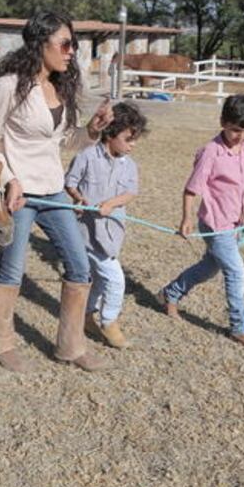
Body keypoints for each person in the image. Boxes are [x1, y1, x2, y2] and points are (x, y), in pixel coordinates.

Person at [0, 10, 114, 373]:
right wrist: (9, 180)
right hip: (20, 195)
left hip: (53, 191)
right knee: (12, 269)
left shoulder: (60, 87)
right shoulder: (5, 87)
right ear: (39, 44)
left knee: (80, 268)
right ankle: (2, 343)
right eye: (65, 44)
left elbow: (66, 141)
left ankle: (71, 346)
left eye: (73, 45)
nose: (71, 52)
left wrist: (92, 130)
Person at [156, 93, 244, 348]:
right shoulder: (210, 152)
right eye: (236, 130)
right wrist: (186, 219)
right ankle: (240, 327)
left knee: (209, 267)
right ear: (223, 122)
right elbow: (192, 188)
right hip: (215, 224)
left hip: (235, 222)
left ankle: (169, 294)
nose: (241, 136)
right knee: (236, 273)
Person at [64, 102, 148, 350]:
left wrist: (112, 203)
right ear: (110, 134)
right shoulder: (87, 156)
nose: (132, 145)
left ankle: (87, 316)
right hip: (88, 233)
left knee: (100, 280)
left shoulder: (129, 165)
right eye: (128, 139)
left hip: (112, 233)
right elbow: (70, 182)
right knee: (115, 280)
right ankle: (109, 321)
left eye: (135, 140)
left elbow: (131, 191)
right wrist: (78, 198)